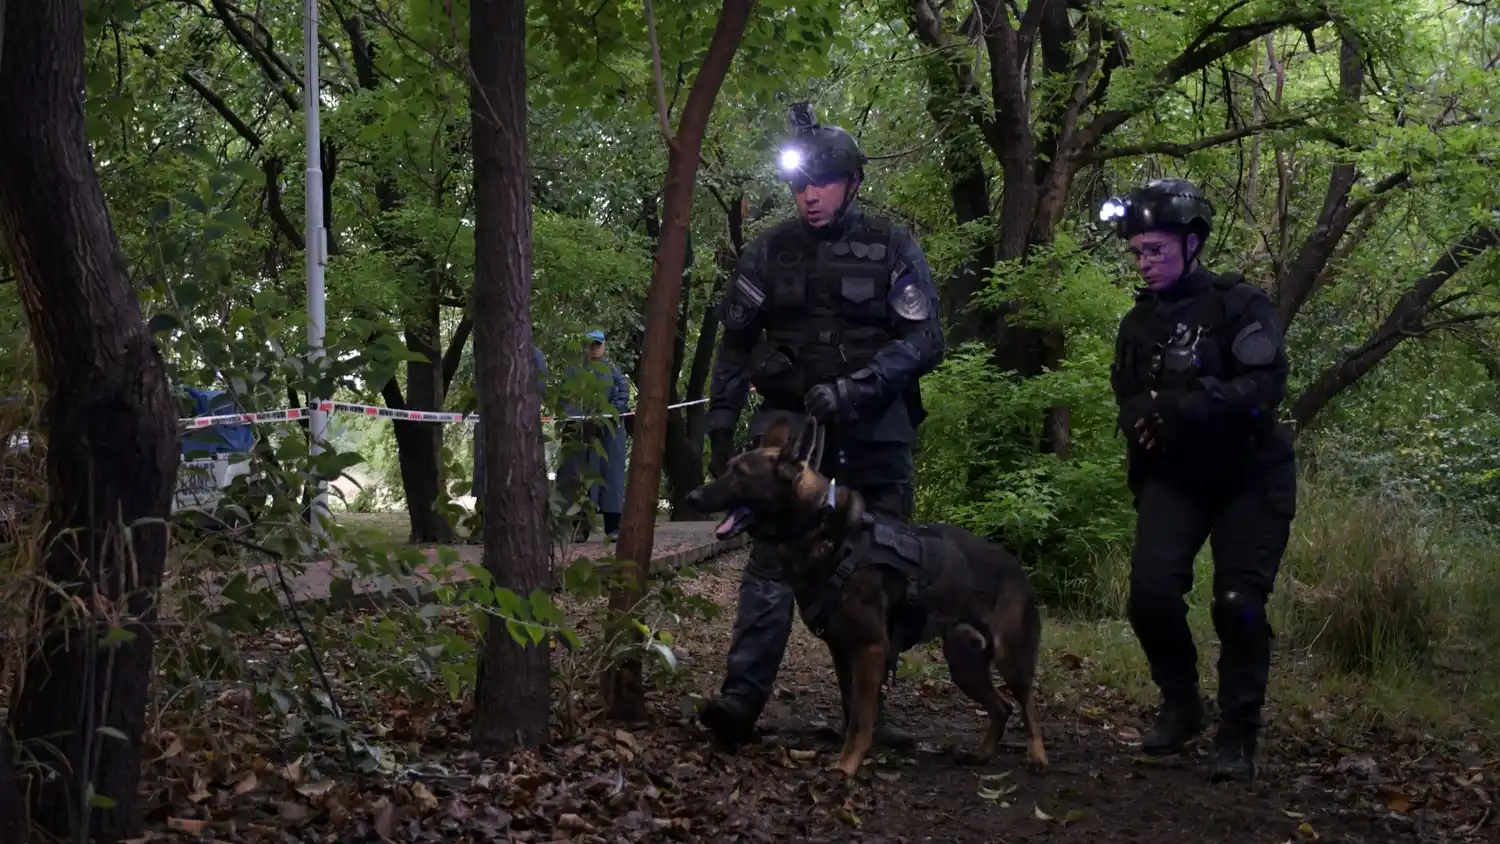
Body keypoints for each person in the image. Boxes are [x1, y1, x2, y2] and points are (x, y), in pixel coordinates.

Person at [697, 103, 946, 749]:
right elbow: (733, 343)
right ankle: (740, 700)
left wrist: (858, 387)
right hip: (789, 433)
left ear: (851, 182)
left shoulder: (892, 246)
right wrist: (722, 423)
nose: (808, 196)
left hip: (875, 425)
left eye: (822, 183)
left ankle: (868, 714)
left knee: (886, 561)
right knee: (770, 561)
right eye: (799, 186)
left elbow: (925, 340)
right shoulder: (769, 251)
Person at [1100, 178, 1297, 782]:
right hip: (1176, 478)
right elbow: (1127, 396)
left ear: (1191, 245)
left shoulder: (1240, 305)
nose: (1145, 262)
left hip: (1249, 476)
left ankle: (1239, 730)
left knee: (1237, 602)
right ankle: (1181, 703)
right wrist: (1141, 419)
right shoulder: (1137, 321)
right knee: (1151, 596)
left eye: (1155, 250)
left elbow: (1263, 390)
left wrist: (1183, 407)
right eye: (1137, 252)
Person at [554, 330, 631, 541]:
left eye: (598, 344)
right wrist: (578, 422)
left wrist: (602, 420)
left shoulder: (614, 372)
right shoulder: (574, 372)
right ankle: (581, 527)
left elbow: (622, 397)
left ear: (604, 346)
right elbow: (565, 399)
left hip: (608, 435)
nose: (594, 348)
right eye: (590, 344)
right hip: (581, 435)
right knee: (581, 479)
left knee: (610, 480)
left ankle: (612, 528)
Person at [472, 343, 547, 518]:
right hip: (488, 416)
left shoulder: (534, 354)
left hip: (521, 420)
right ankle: (483, 516)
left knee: (520, 464)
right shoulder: (488, 351)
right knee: (485, 462)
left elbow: (540, 386)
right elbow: (477, 384)